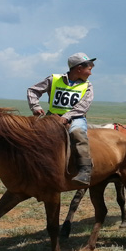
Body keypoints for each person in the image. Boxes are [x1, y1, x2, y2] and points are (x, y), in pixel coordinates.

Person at [27, 52, 96, 185]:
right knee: (32, 134)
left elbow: (84, 106)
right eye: (89, 70)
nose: (90, 73)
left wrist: (66, 117)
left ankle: (85, 171)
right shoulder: (54, 79)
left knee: (77, 134)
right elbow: (32, 90)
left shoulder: (88, 85)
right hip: (51, 117)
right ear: (79, 68)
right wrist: (35, 106)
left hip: (76, 118)